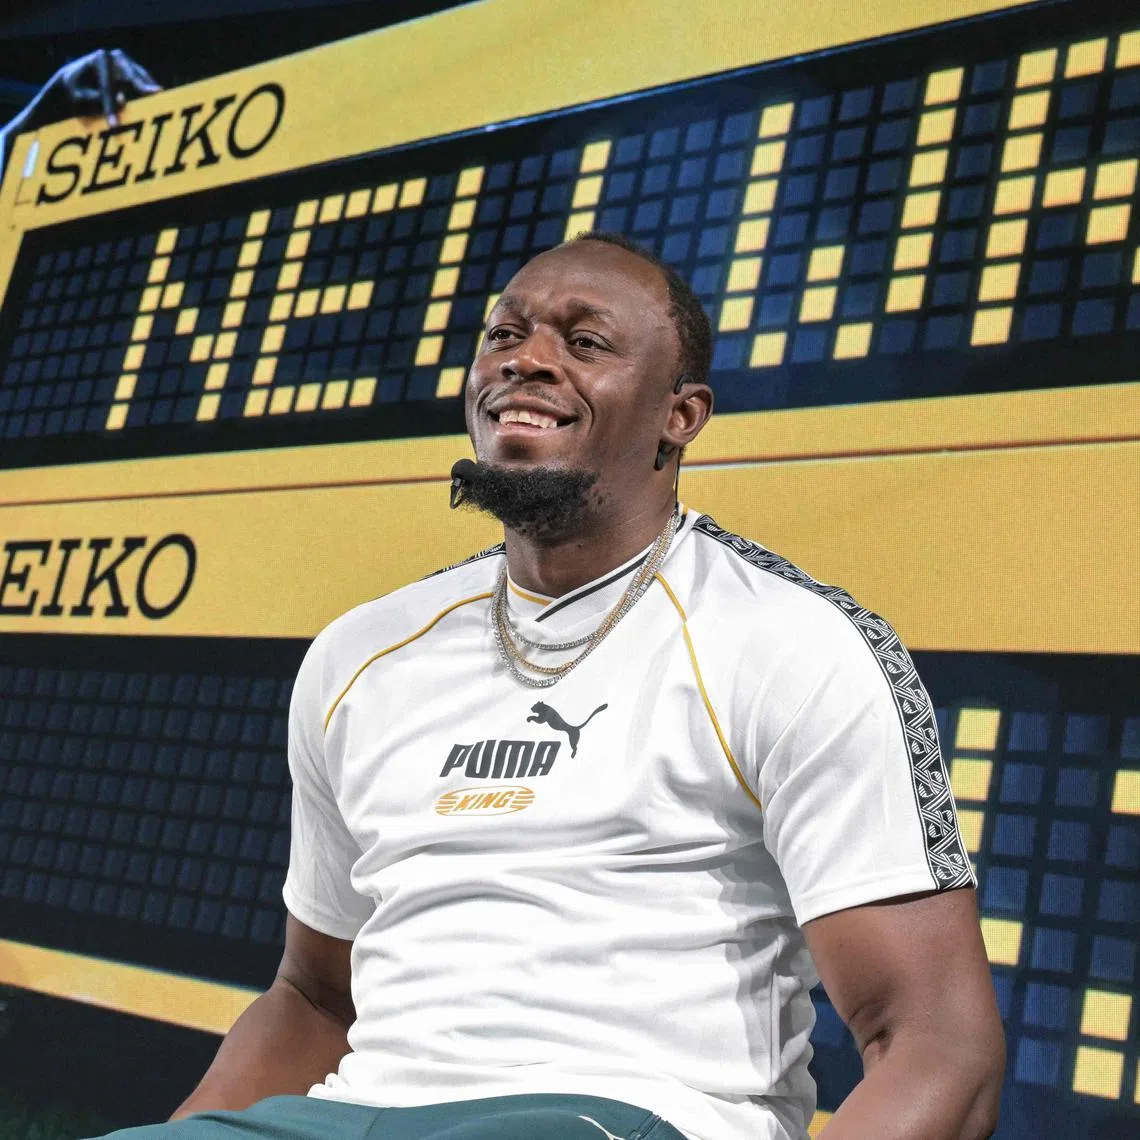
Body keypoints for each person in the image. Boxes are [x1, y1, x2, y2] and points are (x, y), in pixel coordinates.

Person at [100, 233, 1004, 1140]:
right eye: (504, 335)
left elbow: (936, 1044)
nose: (525, 360)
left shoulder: (793, 643)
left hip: (617, 1114)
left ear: (680, 415)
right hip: (352, 1116)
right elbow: (315, 995)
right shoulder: (359, 654)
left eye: (584, 343)